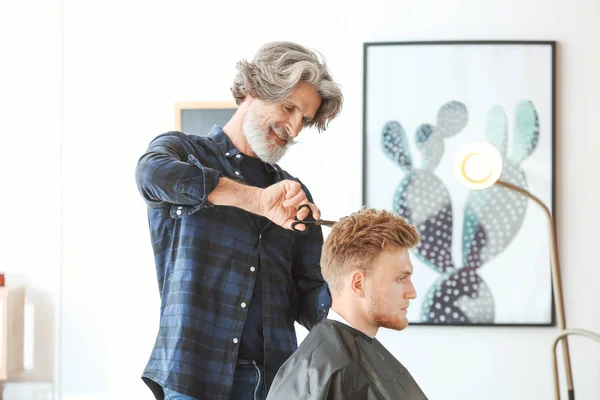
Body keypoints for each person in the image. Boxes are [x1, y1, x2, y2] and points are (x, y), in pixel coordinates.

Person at [135, 41, 343, 400]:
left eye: (304, 119)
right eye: (289, 107)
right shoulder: (183, 151)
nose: (294, 129)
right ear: (253, 89)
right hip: (193, 377)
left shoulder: (295, 194)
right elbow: (151, 174)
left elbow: (312, 299)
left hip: (275, 382)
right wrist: (257, 200)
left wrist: (355, 280)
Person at [266, 208, 429, 400]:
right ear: (358, 284)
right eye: (401, 279)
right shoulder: (327, 371)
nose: (412, 293)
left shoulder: (344, 356)